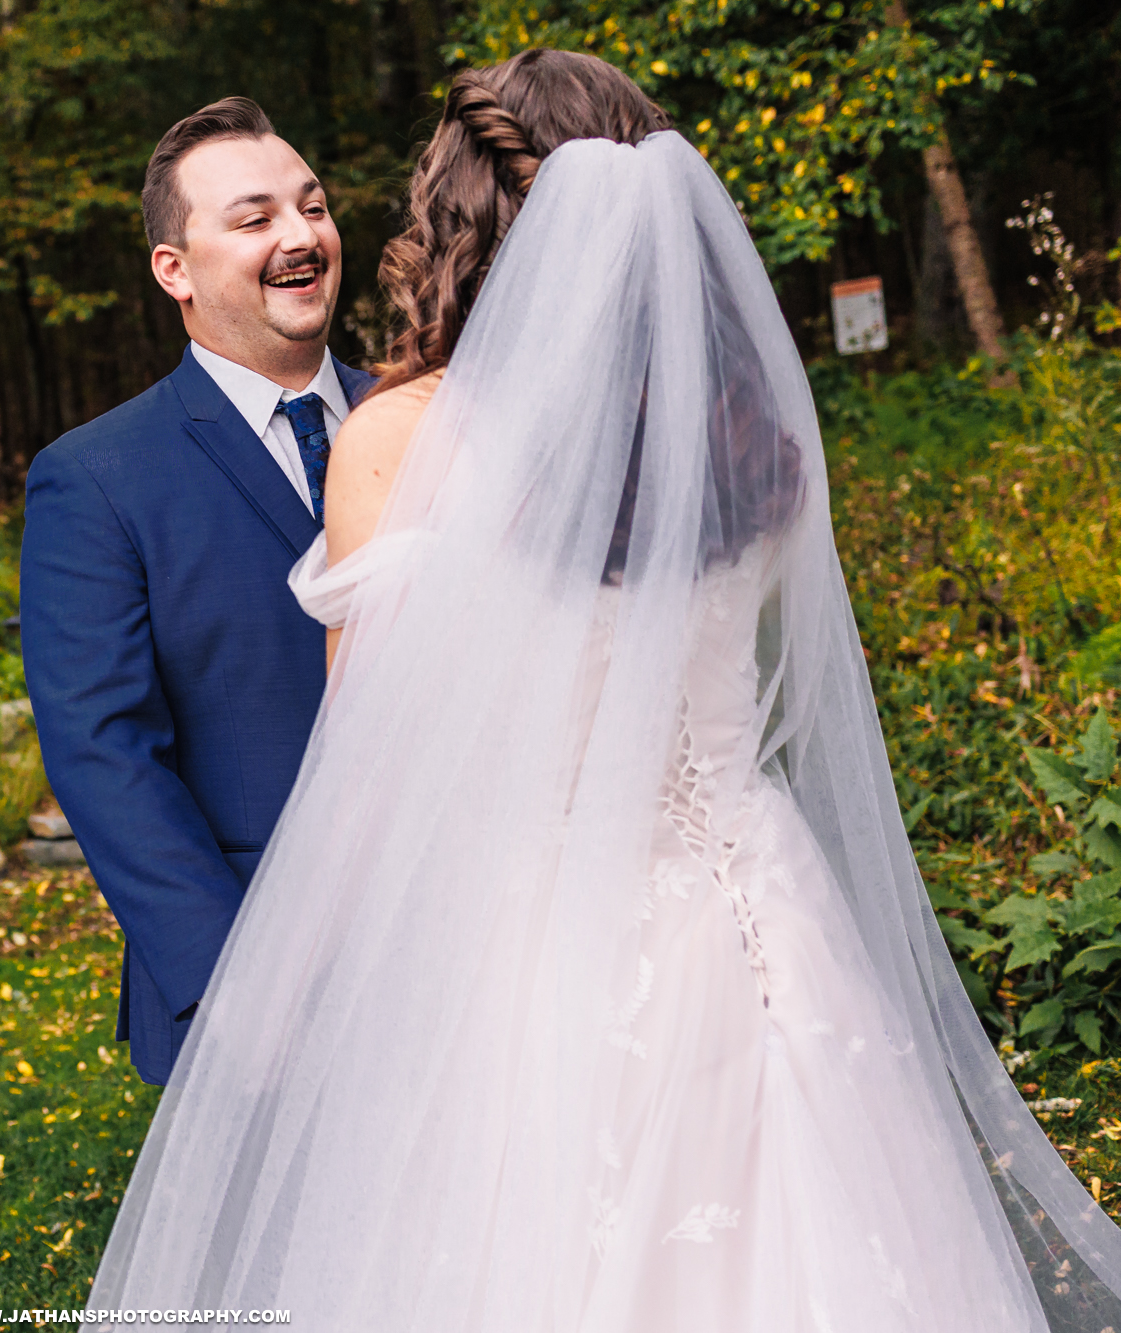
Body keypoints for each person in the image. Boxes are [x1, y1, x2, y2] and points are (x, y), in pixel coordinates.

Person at [79, 50, 1121, 1330]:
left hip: (538, 963)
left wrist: (292, 1004)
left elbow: (367, 787)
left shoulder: (407, 439)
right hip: (775, 933)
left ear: (467, 223)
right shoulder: (749, 438)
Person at [20, 98, 374, 1086]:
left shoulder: (425, 415)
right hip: (258, 981)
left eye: (312, 206)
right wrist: (242, 992)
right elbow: (104, 757)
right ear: (171, 269)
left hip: (474, 947)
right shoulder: (95, 479)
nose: (300, 237)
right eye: (254, 218)